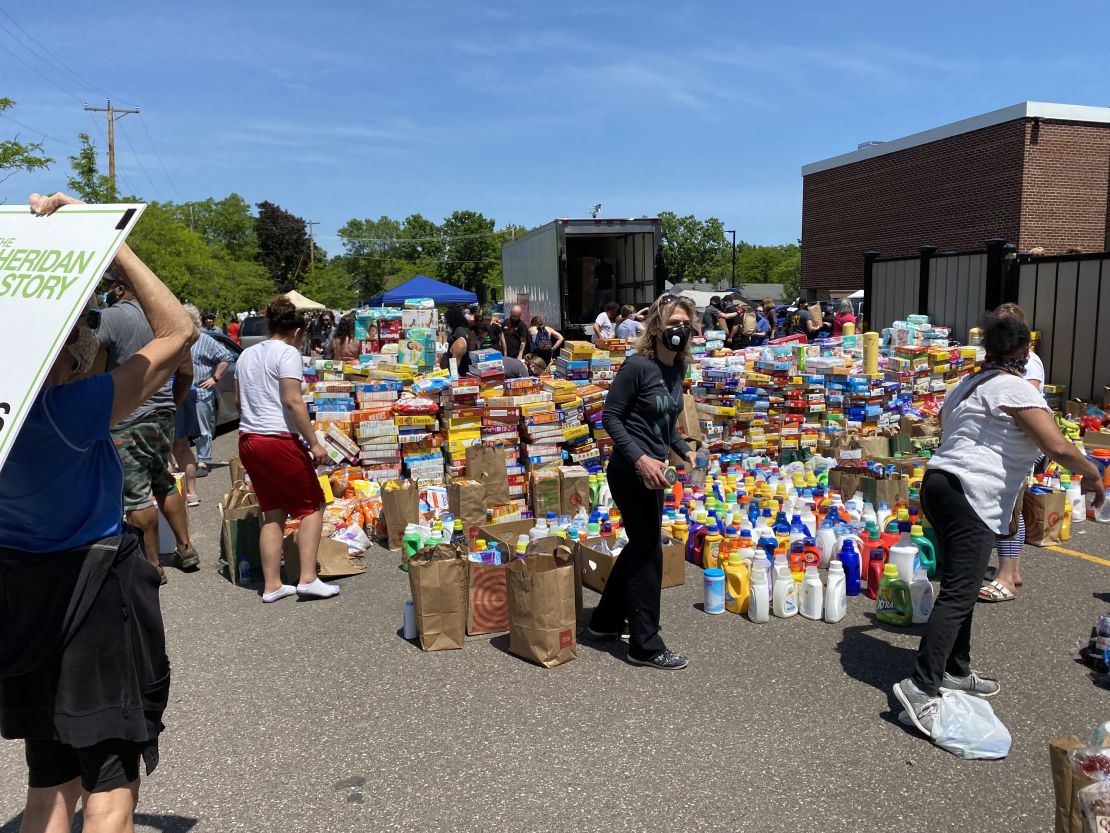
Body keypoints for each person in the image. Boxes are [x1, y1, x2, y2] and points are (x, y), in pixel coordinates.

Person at [0, 190, 193, 830]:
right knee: (110, 783)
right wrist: (109, 239)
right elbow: (178, 331)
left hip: (21, 600)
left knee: (50, 787)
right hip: (91, 597)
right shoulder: (67, 412)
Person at [893, 312, 1104, 737]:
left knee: (962, 584)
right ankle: (920, 685)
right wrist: (1093, 473)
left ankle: (955, 669)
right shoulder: (1012, 386)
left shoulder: (966, 384)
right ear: (1025, 351)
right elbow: (1056, 444)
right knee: (958, 593)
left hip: (940, 484)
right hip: (970, 491)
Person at [589, 294, 698, 671]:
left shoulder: (677, 369)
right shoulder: (637, 366)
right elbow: (610, 417)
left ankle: (604, 622)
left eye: (685, 324)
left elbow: (666, 422)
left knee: (640, 545)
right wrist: (640, 458)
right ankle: (645, 645)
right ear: (655, 328)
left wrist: (684, 449)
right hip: (629, 471)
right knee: (649, 551)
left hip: (656, 474)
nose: (679, 331)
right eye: (672, 324)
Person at [235, 297, 341, 603]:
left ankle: (272, 585)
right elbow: (292, 400)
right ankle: (308, 578)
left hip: (249, 440)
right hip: (277, 439)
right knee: (311, 506)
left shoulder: (247, 355)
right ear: (296, 330)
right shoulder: (288, 354)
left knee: (273, 512)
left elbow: (241, 403)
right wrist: (315, 442)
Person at [98, 272, 201, 581]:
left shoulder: (110, 318)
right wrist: (171, 403)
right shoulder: (166, 318)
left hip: (126, 418)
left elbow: (86, 360)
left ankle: (152, 565)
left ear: (119, 288)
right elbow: (186, 372)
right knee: (164, 480)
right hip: (162, 414)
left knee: (136, 492)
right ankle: (186, 548)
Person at [977, 302, 1045, 603]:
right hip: (1000, 444)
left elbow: (1025, 400)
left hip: (1015, 445)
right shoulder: (999, 361)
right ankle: (1011, 570)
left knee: (1011, 511)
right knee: (1007, 509)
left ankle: (1006, 575)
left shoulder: (1030, 363)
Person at [182, 304, 234, 479]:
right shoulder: (177, 339)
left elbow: (226, 357)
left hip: (200, 391)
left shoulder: (204, 339)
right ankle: (182, 461)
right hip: (180, 391)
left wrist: (215, 378)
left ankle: (202, 460)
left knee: (203, 428)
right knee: (179, 429)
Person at [441, 304, 475, 377]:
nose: (447, 324)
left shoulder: (459, 335)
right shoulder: (466, 330)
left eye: (447, 321)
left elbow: (454, 370)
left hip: (460, 374)